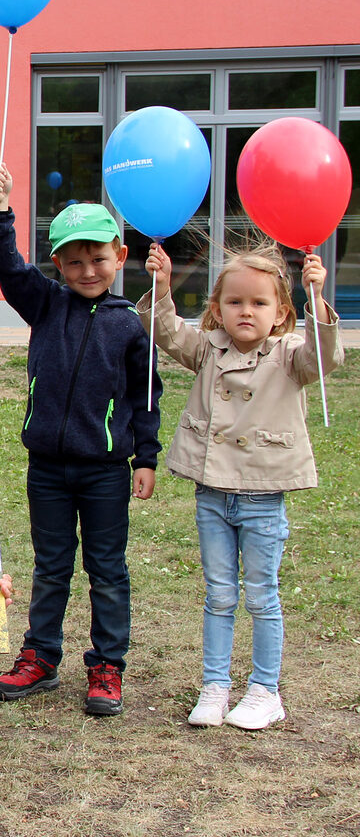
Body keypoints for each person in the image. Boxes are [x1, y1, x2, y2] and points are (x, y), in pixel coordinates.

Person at [0, 162, 161, 716]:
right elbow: (9, 269)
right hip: (48, 469)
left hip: (106, 470)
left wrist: (145, 458)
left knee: (107, 569)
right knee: (51, 565)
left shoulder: (131, 323)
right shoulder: (45, 303)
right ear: (57, 263)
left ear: (120, 257)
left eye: (99, 258)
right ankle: (40, 656)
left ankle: (108, 665)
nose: (88, 270)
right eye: (75, 260)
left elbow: (147, 394)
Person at [140, 243, 343, 730]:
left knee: (261, 595)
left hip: (262, 496)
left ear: (280, 315)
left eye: (259, 303)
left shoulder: (291, 355)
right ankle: (215, 685)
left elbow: (325, 356)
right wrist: (162, 289)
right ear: (217, 310)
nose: (246, 311)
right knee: (219, 594)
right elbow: (168, 335)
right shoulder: (209, 348)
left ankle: (264, 690)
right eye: (235, 302)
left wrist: (318, 301)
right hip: (213, 493)